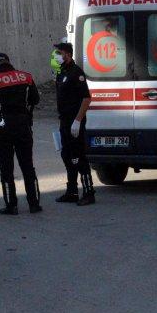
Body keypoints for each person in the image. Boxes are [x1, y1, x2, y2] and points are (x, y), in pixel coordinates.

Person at [0, 52, 41, 215]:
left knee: (6, 169)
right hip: (24, 127)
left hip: (2, 129)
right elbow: (35, 99)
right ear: (9, 62)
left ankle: (11, 205)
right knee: (28, 166)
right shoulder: (26, 77)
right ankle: (34, 204)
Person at [52, 42, 95, 206]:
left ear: (68, 54)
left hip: (74, 122)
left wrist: (77, 120)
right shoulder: (61, 73)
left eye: (59, 52)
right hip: (64, 121)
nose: (56, 55)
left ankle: (89, 192)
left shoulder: (76, 73)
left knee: (79, 157)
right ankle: (72, 191)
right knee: (67, 155)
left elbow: (86, 98)